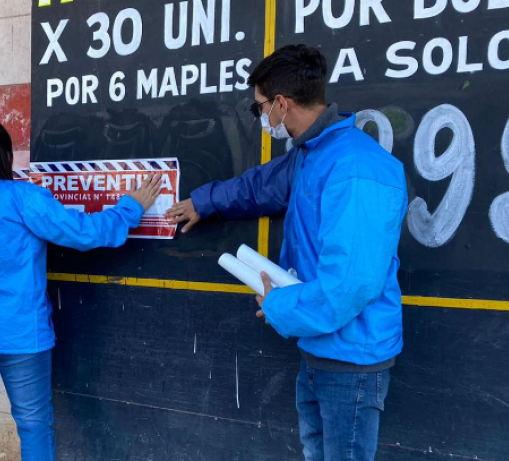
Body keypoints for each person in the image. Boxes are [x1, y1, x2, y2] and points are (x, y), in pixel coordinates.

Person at [167, 45, 407, 461]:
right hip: (319, 349)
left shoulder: (355, 168)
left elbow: (349, 285)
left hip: (352, 356)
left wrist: (280, 306)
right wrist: (204, 202)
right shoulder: (311, 156)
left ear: (281, 103)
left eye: (258, 106)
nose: (260, 116)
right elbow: (260, 186)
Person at [0, 121, 162, 461]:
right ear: (7, 156)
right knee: (32, 424)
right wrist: (129, 208)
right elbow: (82, 232)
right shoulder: (24, 197)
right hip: (18, 333)